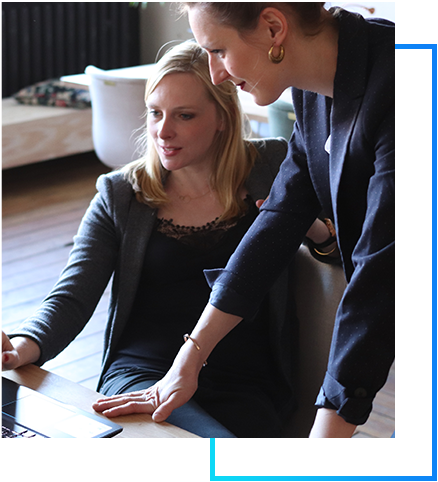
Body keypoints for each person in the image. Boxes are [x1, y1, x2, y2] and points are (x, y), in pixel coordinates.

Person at [0, 40, 334, 439]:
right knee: (208, 453)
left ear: (223, 116)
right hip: (142, 374)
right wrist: (22, 345)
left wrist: (311, 228)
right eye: (155, 113)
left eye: (184, 115)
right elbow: (72, 296)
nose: (163, 131)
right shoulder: (121, 194)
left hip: (247, 382)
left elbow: (340, 253)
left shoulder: (273, 166)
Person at [95, 2, 395, 439]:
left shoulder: (404, 84)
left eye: (218, 51)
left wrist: (324, 444)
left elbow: (382, 273)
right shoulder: (314, 90)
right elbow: (278, 219)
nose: (215, 74)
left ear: (273, 28)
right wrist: (189, 359)